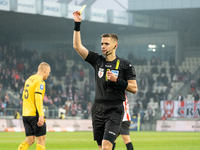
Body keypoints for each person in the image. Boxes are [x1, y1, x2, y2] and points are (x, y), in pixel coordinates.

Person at [73, 11, 138, 150]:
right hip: (98, 109)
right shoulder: (97, 60)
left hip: (115, 108)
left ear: (115, 46)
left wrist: (118, 80)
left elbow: (134, 88)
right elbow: (77, 46)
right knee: (102, 147)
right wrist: (77, 24)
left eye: (106, 44)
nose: (103, 46)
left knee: (106, 147)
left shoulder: (125, 65)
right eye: (102, 43)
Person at [18, 62, 51, 150]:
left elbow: (23, 97)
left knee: (29, 140)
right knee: (41, 140)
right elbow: (38, 99)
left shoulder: (29, 79)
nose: (48, 74)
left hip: (25, 114)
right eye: (49, 72)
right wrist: (41, 115)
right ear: (45, 70)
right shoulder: (40, 81)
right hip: (34, 114)